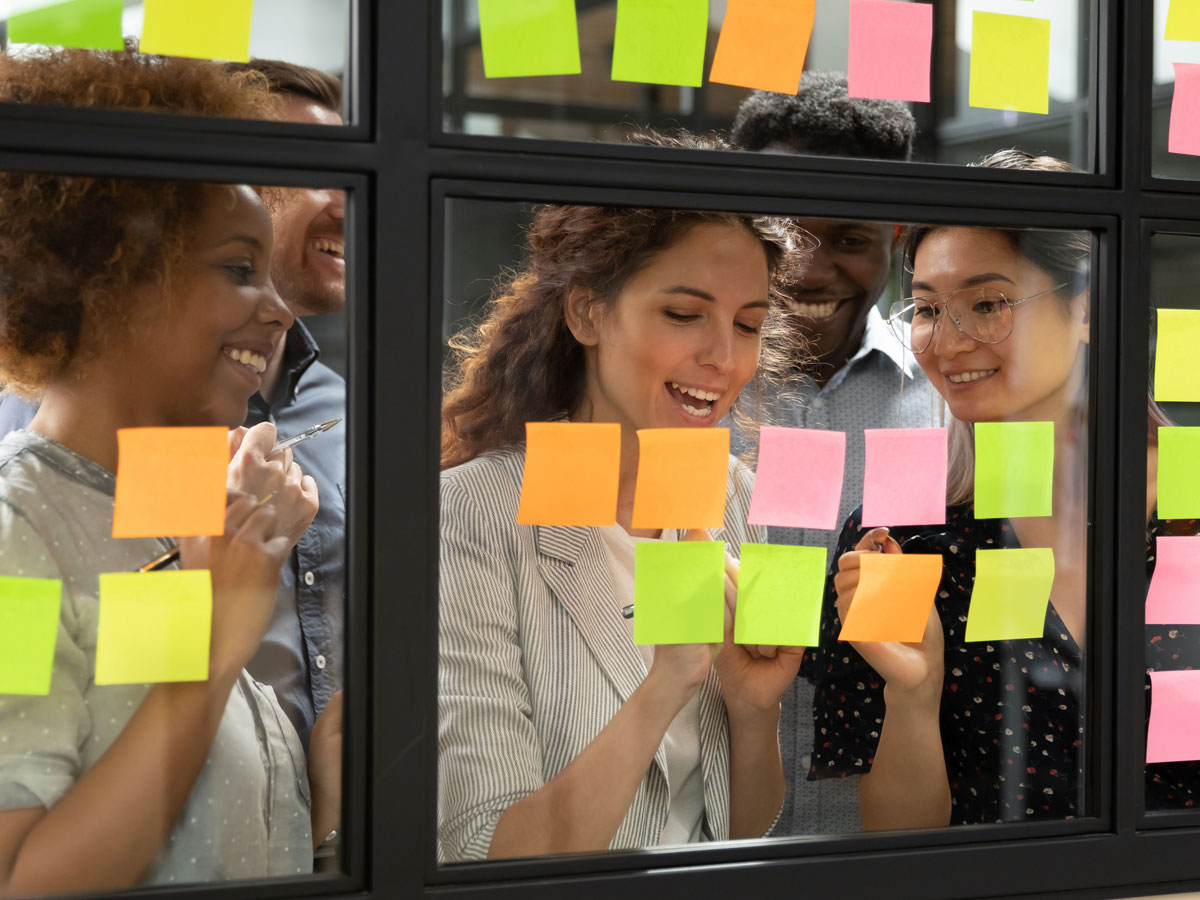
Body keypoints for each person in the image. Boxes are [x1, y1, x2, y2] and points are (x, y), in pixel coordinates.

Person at [0, 48, 338, 892]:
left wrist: (323, 794)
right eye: (236, 269)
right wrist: (222, 643)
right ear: (111, 276)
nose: (278, 308)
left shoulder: (164, 507)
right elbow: (21, 878)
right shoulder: (15, 536)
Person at [438, 133, 808, 861]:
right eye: (682, 314)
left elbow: (746, 832)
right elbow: (489, 848)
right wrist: (668, 681)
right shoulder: (472, 512)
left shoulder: (742, 500)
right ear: (587, 316)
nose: (723, 358)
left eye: (749, 325)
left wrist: (754, 709)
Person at [809, 150, 1094, 828]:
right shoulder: (899, 532)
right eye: (929, 308)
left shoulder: (1181, 512)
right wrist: (914, 692)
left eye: (987, 303)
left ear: (1088, 306)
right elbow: (898, 842)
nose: (948, 341)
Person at [730, 75, 940, 835]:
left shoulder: (956, 404)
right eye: (785, 235)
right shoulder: (677, 390)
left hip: (881, 836)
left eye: (848, 236)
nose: (809, 270)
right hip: (687, 832)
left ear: (898, 234)